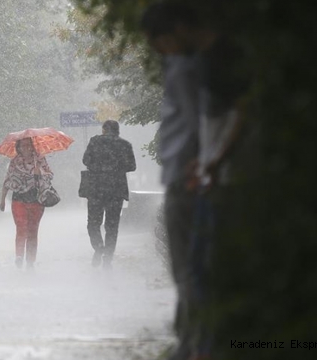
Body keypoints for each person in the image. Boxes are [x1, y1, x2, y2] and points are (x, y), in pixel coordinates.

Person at [140, 3, 202, 359]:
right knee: (190, 266)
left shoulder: (185, 68)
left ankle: (194, 343)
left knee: (188, 267)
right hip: (186, 176)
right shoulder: (191, 66)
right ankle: (193, 339)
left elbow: (199, 122)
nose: (154, 48)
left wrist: (204, 164)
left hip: (187, 177)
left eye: (156, 39)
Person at [81, 120, 136, 269]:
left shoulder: (95, 142)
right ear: (117, 130)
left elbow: (85, 160)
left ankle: (99, 248)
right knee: (112, 226)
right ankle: (108, 258)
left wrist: (99, 166)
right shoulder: (125, 144)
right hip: (116, 190)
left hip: (95, 189)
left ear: (104, 129)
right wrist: (116, 167)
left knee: (93, 223)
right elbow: (132, 166)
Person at [0, 137, 53, 270]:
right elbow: (8, 180)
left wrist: (39, 172)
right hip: (19, 199)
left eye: (29, 145)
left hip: (36, 200)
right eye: (23, 145)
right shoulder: (14, 162)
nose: (26, 147)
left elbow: (49, 175)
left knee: (32, 231)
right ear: (18, 147)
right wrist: (2, 199)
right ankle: (19, 256)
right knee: (21, 227)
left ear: (33, 146)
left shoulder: (40, 159)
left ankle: (30, 261)